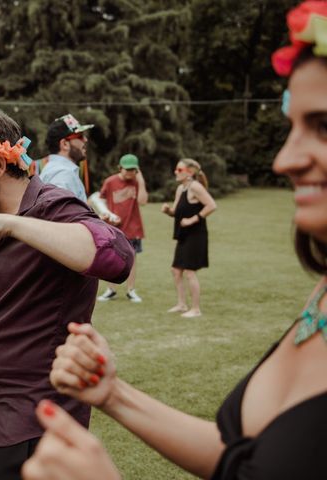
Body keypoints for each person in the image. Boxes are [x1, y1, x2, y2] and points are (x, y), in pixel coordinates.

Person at [22, 3, 327, 478]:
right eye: (293, 127)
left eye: (322, 127)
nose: (285, 158)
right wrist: (115, 395)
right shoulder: (322, 293)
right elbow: (241, 457)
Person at [0, 104, 134, 480]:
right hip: (4, 408)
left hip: (40, 412)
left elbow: (116, 257)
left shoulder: (51, 205)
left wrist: (9, 224)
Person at [161, 158, 217, 317]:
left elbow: (212, 205)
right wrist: (168, 211)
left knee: (190, 272)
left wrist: (193, 219)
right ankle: (181, 304)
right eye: (176, 169)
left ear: (190, 172)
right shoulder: (181, 189)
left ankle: (196, 309)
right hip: (183, 235)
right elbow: (176, 212)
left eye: (180, 170)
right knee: (176, 270)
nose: (175, 172)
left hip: (196, 235)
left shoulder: (196, 187)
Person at [96, 154, 148, 303]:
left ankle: (131, 290)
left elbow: (143, 201)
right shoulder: (110, 181)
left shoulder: (137, 181)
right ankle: (111, 290)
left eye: (133, 170)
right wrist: (107, 215)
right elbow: (100, 200)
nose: (130, 173)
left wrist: (141, 178)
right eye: (127, 169)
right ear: (120, 168)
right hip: (113, 228)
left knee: (132, 260)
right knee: (112, 259)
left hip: (133, 228)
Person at [39, 114, 94, 202]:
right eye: (80, 136)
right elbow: (58, 213)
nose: (85, 139)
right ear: (64, 144)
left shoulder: (56, 170)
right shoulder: (62, 173)